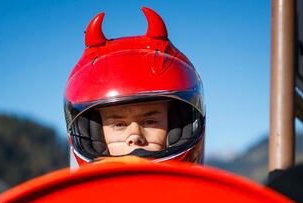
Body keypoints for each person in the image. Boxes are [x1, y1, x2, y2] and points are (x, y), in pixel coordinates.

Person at [64, 7, 205, 165]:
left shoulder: (211, 190)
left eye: (149, 121)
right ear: (94, 135)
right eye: (119, 124)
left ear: (177, 123)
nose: (135, 137)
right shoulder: (71, 191)